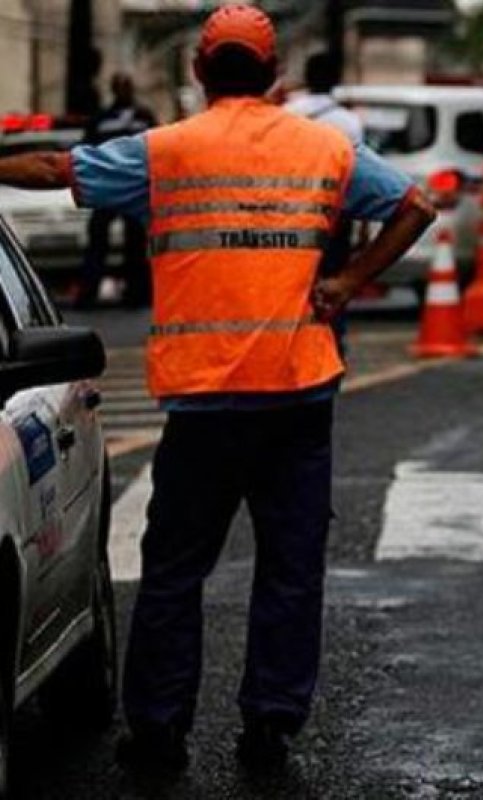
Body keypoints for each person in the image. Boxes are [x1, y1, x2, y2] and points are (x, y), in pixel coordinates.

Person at [0, 4, 435, 777]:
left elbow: (54, 172)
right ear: (274, 76)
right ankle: (270, 727)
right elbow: (418, 204)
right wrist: (346, 281)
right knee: (290, 569)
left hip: (204, 402)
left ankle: (160, 733)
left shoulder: (166, 150)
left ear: (199, 73)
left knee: (174, 571)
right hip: (298, 393)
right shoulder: (326, 147)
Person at [286, 52, 364, 352]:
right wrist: (361, 224)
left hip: (291, 214)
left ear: (306, 77)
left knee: (294, 285)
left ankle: (294, 340)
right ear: (337, 80)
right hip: (335, 216)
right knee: (334, 283)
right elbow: (355, 175)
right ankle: (331, 343)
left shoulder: (288, 113)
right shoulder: (349, 121)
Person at [77, 72, 158, 309]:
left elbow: (156, 146)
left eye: (127, 86)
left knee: (135, 244)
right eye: (120, 86)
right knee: (98, 243)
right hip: (108, 187)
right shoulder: (102, 118)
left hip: (133, 188)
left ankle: (137, 294)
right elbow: (88, 148)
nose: (124, 90)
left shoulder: (143, 117)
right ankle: (89, 293)